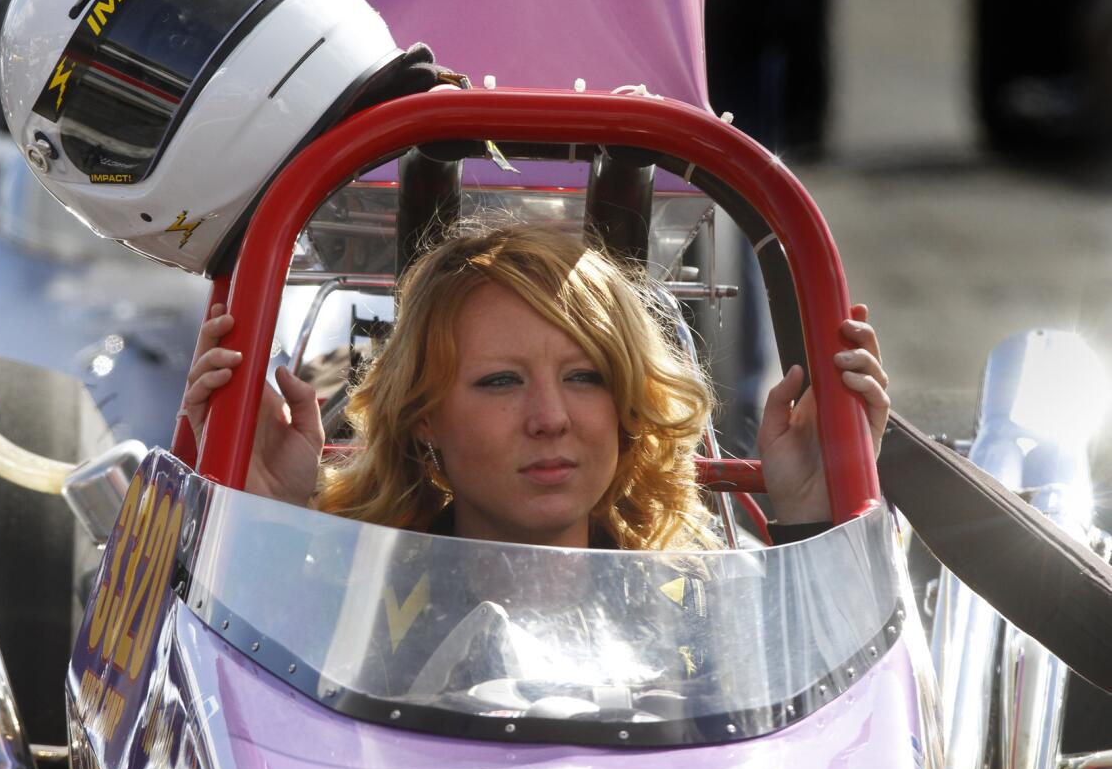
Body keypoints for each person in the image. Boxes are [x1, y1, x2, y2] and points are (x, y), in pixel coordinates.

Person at [182, 223, 888, 550]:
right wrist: (259, 517)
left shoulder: (702, 604)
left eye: (584, 377)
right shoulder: (337, 600)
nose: (549, 418)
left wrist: (813, 514)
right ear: (423, 416)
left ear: (627, 405)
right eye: (498, 382)